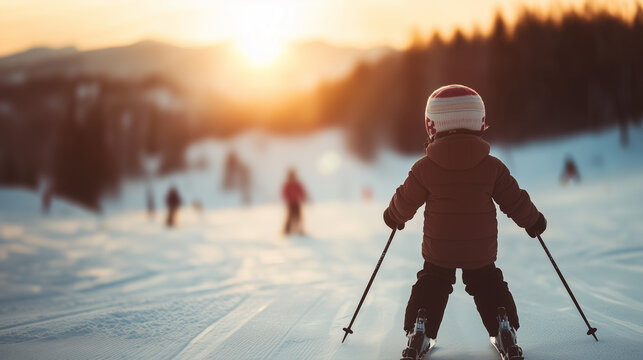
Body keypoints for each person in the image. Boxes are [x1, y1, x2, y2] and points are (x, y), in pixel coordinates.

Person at [383, 85, 547, 352]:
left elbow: (405, 201)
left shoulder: (424, 168)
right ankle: (502, 323)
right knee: (487, 283)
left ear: (431, 124)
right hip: (479, 251)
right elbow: (515, 200)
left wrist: (393, 216)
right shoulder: (492, 167)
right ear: (479, 122)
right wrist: (533, 221)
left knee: (432, 282)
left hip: (440, 250)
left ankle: (419, 326)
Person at [282, 168, 308, 235]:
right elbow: (284, 192)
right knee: (289, 217)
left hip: (297, 202)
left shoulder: (297, 183)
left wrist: (303, 198)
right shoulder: (287, 183)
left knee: (299, 217)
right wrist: (287, 199)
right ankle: (287, 230)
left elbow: (301, 191)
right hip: (290, 203)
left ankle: (300, 230)